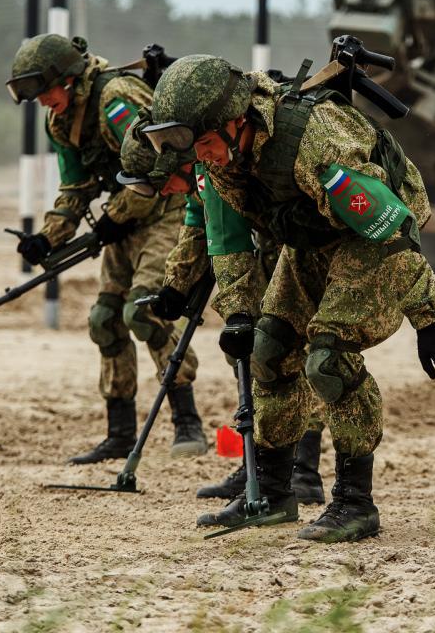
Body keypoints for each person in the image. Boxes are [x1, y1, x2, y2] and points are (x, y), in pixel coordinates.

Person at [142, 54, 435, 543]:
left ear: (234, 123)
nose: (202, 156)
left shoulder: (316, 145)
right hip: (313, 236)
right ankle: (272, 493)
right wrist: (239, 315)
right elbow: (229, 245)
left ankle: (356, 503)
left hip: (371, 236)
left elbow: (391, 227)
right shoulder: (226, 160)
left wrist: (428, 321)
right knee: (268, 350)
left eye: (205, 142)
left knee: (328, 361)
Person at [4, 34, 207, 463]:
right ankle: (119, 434)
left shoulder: (116, 99)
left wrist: (114, 218)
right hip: (124, 219)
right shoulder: (60, 122)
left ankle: (187, 423)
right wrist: (48, 237)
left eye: (45, 90)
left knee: (144, 310)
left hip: (167, 208)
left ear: (70, 79)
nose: (41, 101)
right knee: (104, 319)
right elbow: (74, 187)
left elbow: (158, 166)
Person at [118, 128, 327, 505]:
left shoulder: (214, 166)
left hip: (297, 253)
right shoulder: (203, 175)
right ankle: (259, 465)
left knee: (291, 356)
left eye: (162, 183)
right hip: (266, 254)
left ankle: (303, 471)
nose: (163, 193)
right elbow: (198, 224)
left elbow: (225, 234)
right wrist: (175, 286)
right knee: (250, 356)